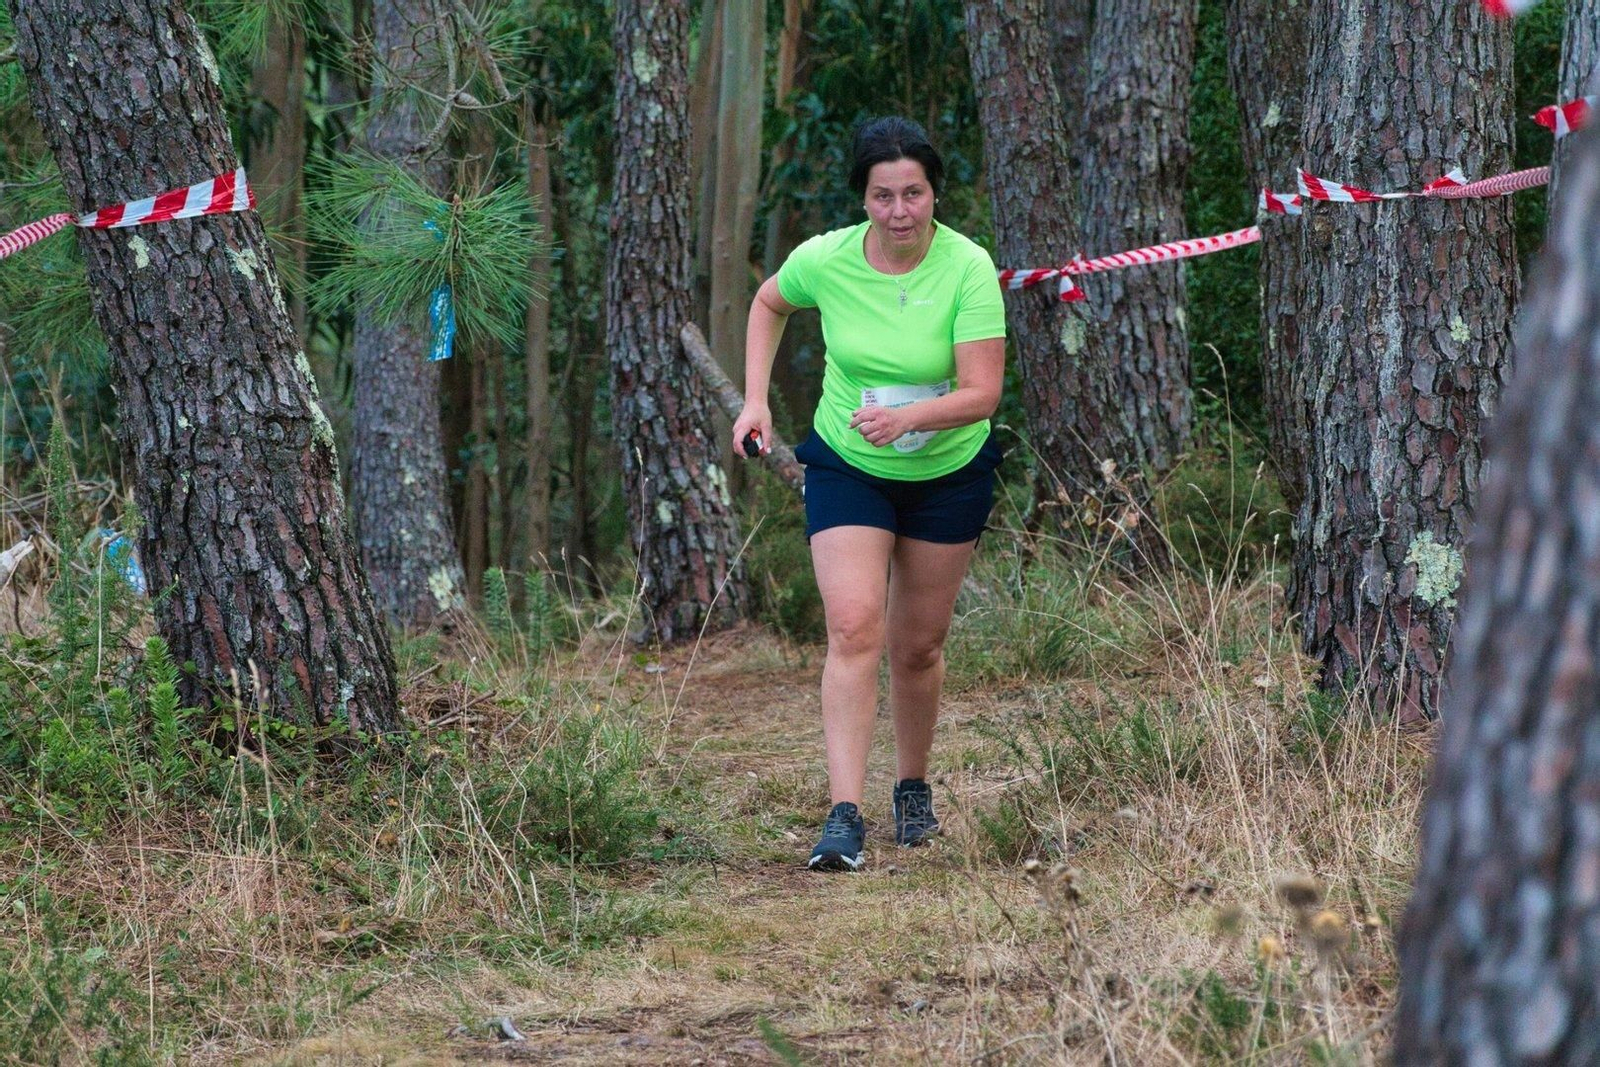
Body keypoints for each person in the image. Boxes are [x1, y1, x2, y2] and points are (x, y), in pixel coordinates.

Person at [732, 116, 1006, 872]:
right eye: (883, 195)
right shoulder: (827, 259)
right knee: (854, 626)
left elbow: (983, 393)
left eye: (913, 193)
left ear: (933, 193)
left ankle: (911, 790)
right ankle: (843, 813)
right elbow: (767, 303)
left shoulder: (967, 267)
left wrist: (908, 418)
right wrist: (756, 401)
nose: (899, 211)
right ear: (863, 199)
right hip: (850, 464)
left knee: (917, 646)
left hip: (947, 469)